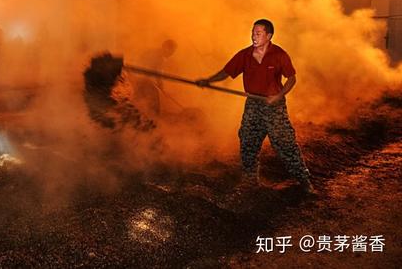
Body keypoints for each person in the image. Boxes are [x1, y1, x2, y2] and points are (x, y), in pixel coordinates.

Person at [196, 19, 314, 193]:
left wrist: (279, 96)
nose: (253, 36)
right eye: (253, 33)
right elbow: (226, 72)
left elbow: (292, 78)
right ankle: (250, 181)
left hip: (275, 106)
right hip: (253, 103)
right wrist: (208, 80)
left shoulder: (279, 54)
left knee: (285, 144)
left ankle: (304, 181)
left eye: (258, 33)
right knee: (248, 140)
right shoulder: (244, 55)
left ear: (269, 36)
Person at [133, 39, 177, 116]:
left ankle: (135, 114)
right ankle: (154, 118)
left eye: (173, 52)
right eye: (171, 51)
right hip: (141, 78)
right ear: (165, 47)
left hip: (139, 78)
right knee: (153, 99)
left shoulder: (156, 53)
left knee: (138, 98)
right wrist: (160, 85)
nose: (171, 54)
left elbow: (156, 71)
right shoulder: (158, 56)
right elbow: (158, 73)